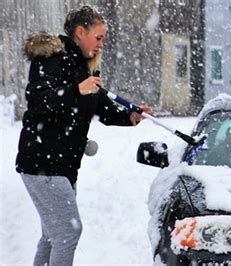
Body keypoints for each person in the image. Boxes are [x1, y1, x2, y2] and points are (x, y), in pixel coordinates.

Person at [15, 5, 152, 265]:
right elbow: (38, 100)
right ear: (80, 32)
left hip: (62, 166)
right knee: (67, 231)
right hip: (42, 163)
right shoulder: (51, 58)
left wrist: (128, 116)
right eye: (98, 38)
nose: (101, 44)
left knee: (52, 234)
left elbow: (98, 105)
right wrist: (77, 90)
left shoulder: (84, 66)